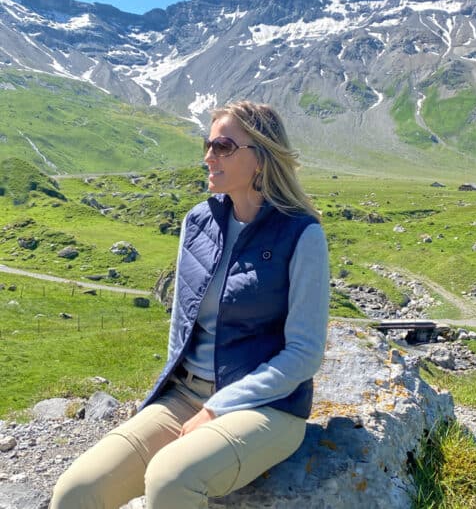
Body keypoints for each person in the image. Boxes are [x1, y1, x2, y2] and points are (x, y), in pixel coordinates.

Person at [50, 100, 330, 509]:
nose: (208, 156)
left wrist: (218, 409)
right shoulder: (197, 222)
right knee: (76, 492)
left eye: (223, 147)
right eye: (208, 144)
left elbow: (304, 354)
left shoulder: (302, 234)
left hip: (266, 407)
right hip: (184, 397)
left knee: (169, 480)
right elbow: (182, 325)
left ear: (261, 157)